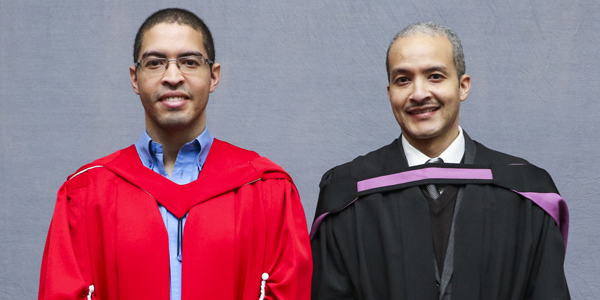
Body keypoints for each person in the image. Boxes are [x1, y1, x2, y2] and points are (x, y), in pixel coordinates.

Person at [38, 8, 312, 300]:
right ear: (135, 78)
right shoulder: (84, 193)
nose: (172, 76)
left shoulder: (266, 189)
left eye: (190, 62)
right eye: (155, 63)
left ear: (213, 76)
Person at [310, 22, 570, 300]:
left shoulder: (525, 192)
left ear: (463, 86)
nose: (419, 93)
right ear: (389, 93)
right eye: (403, 79)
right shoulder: (349, 194)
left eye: (434, 76)